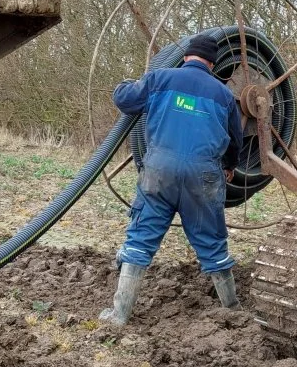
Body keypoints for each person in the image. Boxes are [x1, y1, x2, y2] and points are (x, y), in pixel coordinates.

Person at [99, 34, 245, 326]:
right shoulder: (224, 95)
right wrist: (228, 166)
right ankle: (233, 311)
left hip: (159, 173)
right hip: (202, 177)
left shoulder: (160, 79)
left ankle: (119, 314)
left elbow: (124, 99)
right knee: (212, 244)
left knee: (141, 239)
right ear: (213, 63)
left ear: (186, 57)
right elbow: (235, 141)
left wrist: (126, 84)